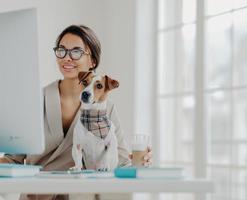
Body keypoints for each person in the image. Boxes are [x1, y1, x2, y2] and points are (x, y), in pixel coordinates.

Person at [0, 25, 152, 200]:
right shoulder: (34, 100)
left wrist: (141, 160)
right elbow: (13, 161)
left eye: (76, 51)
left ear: (93, 61)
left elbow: (121, 163)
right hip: (37, 196)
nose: (67, 58)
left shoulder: (106, 108)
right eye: (61, 50)